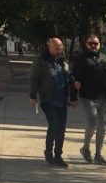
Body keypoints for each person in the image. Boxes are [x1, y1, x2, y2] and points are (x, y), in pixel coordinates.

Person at [29, 37, 78, 167]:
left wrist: (74, 83)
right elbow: (34, 78)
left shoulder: (62, 60)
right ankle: (50, 153)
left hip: (62, 100)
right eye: (57, 48)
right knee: (55, 126)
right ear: (49, 47)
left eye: (61, 48)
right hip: (48, 99)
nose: (59, 50)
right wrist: (33, 96)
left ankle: (57, 155)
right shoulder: (41, 60)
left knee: (60, 129)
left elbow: (68, 75)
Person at [72, 35, 106, 166]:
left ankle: (98, 154)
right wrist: (73, 97)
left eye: (96, 43)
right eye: (90, 43)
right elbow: (74, 78)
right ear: (86, 44)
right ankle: (85, 148)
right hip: (88, 96)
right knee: (92, 120)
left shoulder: (104, 59)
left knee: (103, 125)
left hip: (103, 96)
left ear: (99, 44)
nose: (93, 45)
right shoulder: (81, 59)